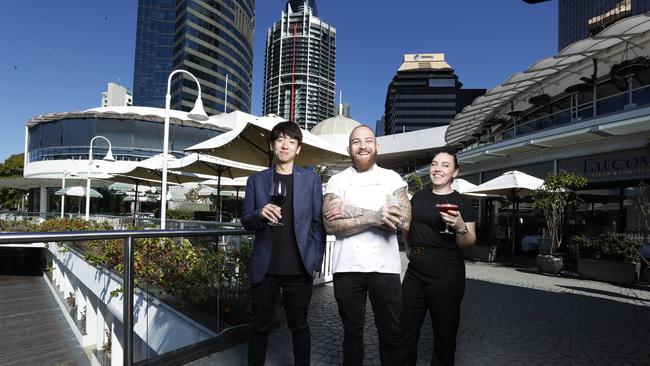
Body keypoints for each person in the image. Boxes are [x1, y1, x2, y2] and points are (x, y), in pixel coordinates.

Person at [323, 125, 411, 366]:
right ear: (349, 149)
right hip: (347, 269)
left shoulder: (391, 178)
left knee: (391, 335)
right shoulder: (336, 181)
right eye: (356, 142)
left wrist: (351, 212)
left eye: (368, 140)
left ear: (376, 146)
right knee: (352, 334)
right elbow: (330, 226)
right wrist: (375, 217)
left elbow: (402, 220)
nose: (362, 145)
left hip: (385, 269)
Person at [242, 121, 326, 366]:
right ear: (272, 145)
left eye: (291, 141)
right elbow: (246, 220)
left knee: (300, 326)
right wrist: (259, 213)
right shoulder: (256, 180)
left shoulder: (311, 179)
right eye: (280, 140)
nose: (285, 145)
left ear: (298, 148)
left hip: (299, 268)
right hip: (265, 268)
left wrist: (315, 260)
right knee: (259, 327)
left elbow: (317, 223)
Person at [400, 148, 477, 366]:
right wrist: (408, 247)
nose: (438, 169)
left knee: (444, 335)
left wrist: (460, 227)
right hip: (415, 271)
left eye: (445, 165)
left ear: (455, 172)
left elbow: (468, 241)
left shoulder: (462, 202)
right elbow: (407, 226)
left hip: (447, 271)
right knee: (405, 330)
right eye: (435, 164)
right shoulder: (419, 197)